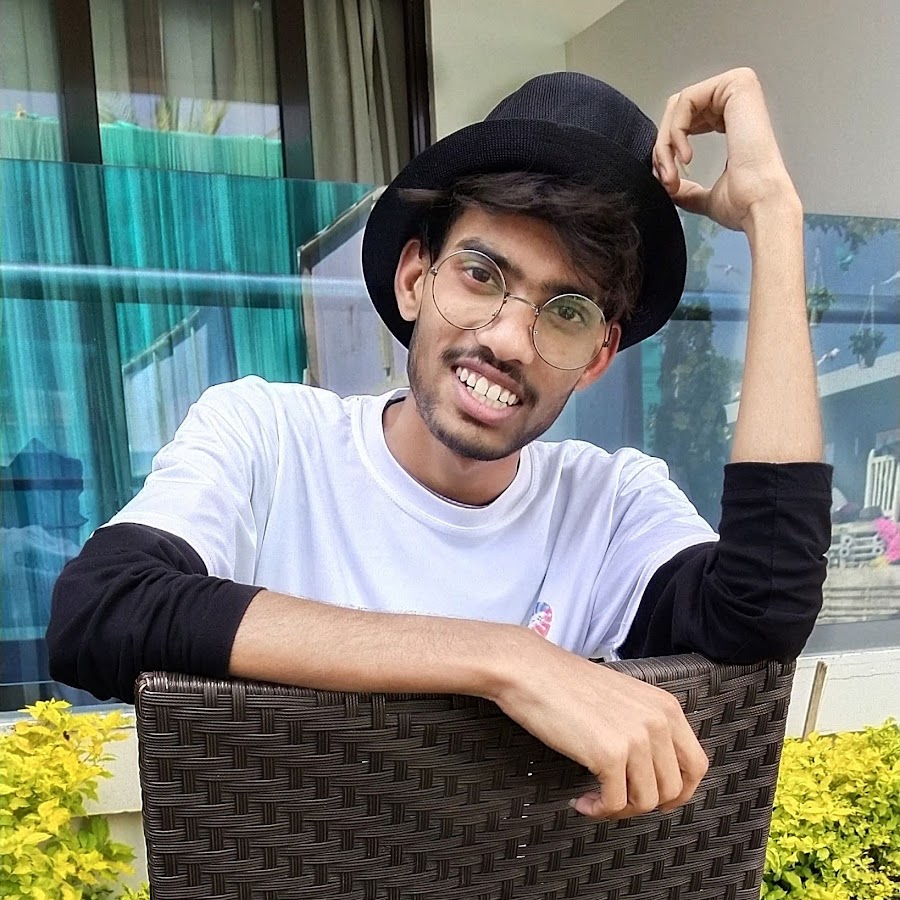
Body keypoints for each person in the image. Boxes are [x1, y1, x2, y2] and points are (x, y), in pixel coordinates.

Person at [48, 68, 831, 821]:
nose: (508, 340)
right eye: (481, 275)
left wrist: (773, 218)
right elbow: (102, 607)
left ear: (598, 357)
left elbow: (761, 611)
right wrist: (509, 661)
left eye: (566, 313)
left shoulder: (609, 503)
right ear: (414, 278)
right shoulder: (269, 438)